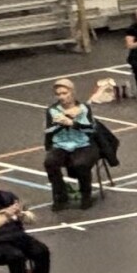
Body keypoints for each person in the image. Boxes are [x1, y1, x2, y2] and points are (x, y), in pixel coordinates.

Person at [42, 78, 101, 210]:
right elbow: (48, 130)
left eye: (64, 93)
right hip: (61, 145)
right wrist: (60, 123)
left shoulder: (84, 108)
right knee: (50, 163)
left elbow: (91, 129)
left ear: (72, 92)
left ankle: (86, 195)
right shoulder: (52, 110)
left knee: (81, 164)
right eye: (58, 94)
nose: (61, 97)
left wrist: (73, 123)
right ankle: (60, 195)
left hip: (82, 144)